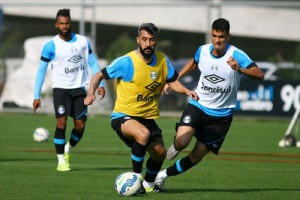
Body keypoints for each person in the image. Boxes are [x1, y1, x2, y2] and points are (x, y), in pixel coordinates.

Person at [84, 23, 198, 193]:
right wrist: (91, 92)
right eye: (144, 39)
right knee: (142, 134)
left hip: (147, 118)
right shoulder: (127, 62)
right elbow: (99, 75)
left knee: (160, 153)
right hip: (123, 117)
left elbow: (173, 81)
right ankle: (136, 180)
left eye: (151, 40)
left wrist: (186, 90)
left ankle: (149, 185)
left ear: (156, 41)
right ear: (138, 40)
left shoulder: (162, 61)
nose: (148, 43)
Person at [155, 18, 264, 189]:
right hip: (198, 105)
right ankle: (176, 146)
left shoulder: (237, 55)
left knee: (196, 156)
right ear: (211, 34)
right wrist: (175, 79)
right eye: (214, 35)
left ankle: (162, 175)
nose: (217, 40)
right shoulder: (203, 50)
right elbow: (193, 62)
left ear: (228, 37)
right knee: (181, 142)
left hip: (221, 117)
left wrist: (240, 69)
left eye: (221, 36)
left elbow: (259, 74)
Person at [33, 8, 105, 172]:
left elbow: (93, 63)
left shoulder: (83, 42)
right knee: (62, 122)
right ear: (56, 25)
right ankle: (61, 161)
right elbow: (41, 71)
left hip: (80, 90)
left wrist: (99, 84)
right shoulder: (50, 46)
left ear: (70, 24)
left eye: (67, 23)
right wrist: (36, 95)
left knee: (80, 126)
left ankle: (67, 150)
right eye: (61, 23)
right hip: (60, 90)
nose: (64, 26)